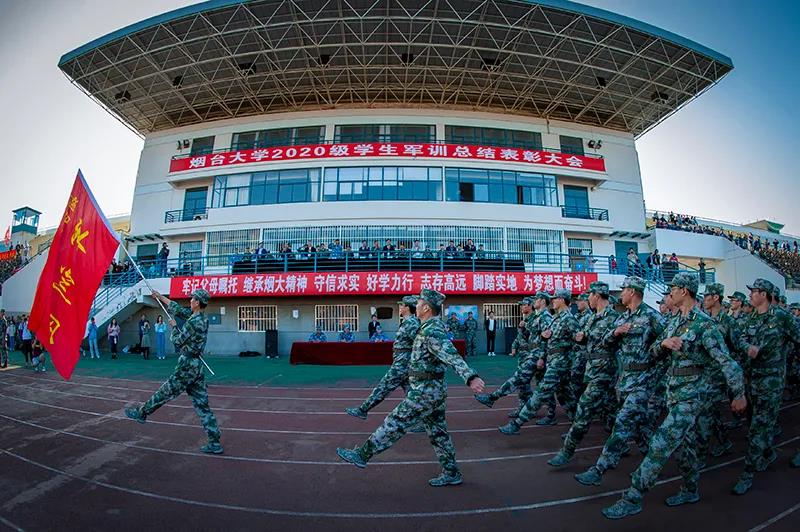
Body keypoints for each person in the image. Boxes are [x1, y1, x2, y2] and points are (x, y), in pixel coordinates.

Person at [601, 273, 746, 519]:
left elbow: (727, 362)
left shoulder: (704, 325)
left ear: (684, 291)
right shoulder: (674, 322)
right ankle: (690, 490)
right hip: (674, 392)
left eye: (673, 289)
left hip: (692, 396)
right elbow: (652, 351)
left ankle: (633, 497)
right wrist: (664, 344)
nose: (670, 293)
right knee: (684, 447)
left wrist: (739, 393)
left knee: (661, 443)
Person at [336, 289, 486, 486]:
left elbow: (451, 355)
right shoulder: (426, 327)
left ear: (426, 308)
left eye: (419, 303)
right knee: (438, 433)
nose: (416, 307)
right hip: (432, 390)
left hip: (425, 391)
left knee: (395, 421)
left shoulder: (432, 330)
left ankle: (362, 455)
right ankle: (452, 472)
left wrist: (470, 377)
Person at [574, 276, 667, 487]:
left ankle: (599, 469)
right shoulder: (623, 318)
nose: (621, 293)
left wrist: (653, 377)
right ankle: (655, 464)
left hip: (642, 382)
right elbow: (605, 343)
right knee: (641, 428)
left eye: (624, 290)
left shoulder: (652, 317)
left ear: (632, 292)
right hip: (624, 382)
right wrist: (615, 332)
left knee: (622, 423)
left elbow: (666, 349)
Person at [125, 289, 223, 455]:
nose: (190, 300)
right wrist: (160, 297)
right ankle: (215, 442)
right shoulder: (202, 318)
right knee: (202, 405)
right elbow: (178, 309)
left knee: (165, 391)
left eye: (192, 299)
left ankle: (142, 413)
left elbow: (178, 341)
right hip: (197, 367)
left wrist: (174, 327)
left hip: (187, 367)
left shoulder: (193, 322)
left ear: (197, 302)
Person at [731, 278, 800, 494]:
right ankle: (768, 453)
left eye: (754, 291)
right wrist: (747, 347)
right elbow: (739, 338)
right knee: (753, 422)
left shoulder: (781, 316)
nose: (750, 295)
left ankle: (747, 474)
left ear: (764, 294)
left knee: (758, 428)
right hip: (752, 378)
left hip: (772, 380)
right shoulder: (750, 317)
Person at [547, 282, 620, 466]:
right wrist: (581, 338)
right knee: (610, 409)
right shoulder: (593, 317)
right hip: (592, 369)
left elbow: (615, 342)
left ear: (597, 296)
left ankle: (567, 450)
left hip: (604, 370)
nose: (587, 299)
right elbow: (584, 338)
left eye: (589, 295)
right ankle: (627, 444)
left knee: (584, 407)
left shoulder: (614, 318)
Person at [498, 288, 580, 434]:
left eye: (554, 298)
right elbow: (549, 340)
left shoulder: (569, 319)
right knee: (566, 398)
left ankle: (517, 424)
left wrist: (574, 351)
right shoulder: (556, 318)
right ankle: (578, 427)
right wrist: (543, 341)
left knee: (541, 392)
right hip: (553, 361)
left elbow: (579, 342)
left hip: (561, 363)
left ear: (562, 300)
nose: (552, 301)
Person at [474, 294, 554, 420]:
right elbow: (530, 337)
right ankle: (537, 411)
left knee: (521, 378)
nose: (522, 307)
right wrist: (520, 335)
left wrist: (541, 357)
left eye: (525, 304)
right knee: (537, 384)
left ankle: (493, 397)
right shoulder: (536, 318)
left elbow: (547, 338)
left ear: (541, 302)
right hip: (532, 354)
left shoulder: (543, 317)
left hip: (537, 354)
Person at [347, 296, 421, 419]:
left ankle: (363, 410)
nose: (400, 307)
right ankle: (425, 419)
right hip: (404, 362)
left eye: (402, 305)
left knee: (384, 386)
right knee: (411, 393)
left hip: (403, 364)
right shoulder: (408, 322)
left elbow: (420, 343)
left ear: (407, 308)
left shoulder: (411, 323)